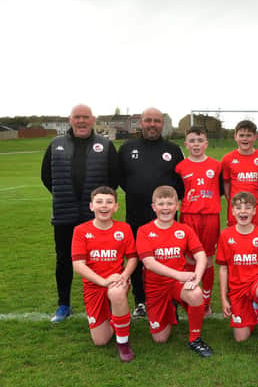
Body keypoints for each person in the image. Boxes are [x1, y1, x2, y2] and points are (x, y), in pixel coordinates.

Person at [41, 104, 118, 322]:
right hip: (64, 215)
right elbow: (47, 177)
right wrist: (64, 195)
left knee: (102, 260)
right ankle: (63, 304)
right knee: (64, 260)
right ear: (70, 119)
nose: (81, 121)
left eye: (85, 117)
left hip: (95, 217)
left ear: (93, 119)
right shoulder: (56, 144)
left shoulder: (104, 145)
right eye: (77, 117)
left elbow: (114, 179)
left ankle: (107, 302)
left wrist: (99, 204)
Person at [118, 107, 184, 318]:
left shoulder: (173, 149)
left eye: (157, 121)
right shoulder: (127, 148)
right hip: (136, 216)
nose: (152, 124)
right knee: (136, 259)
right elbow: (120, 179)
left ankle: (171, 298)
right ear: (141, 123)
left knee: (169, 258)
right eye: (148, 120)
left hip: (166, 218)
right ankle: (141, 301)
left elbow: (181, 184)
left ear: (162, 124)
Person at [135, 186, 212, 357]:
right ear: (153, 206)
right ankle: (170, 306)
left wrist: (196, 278)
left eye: (169, 203)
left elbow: (201, 256)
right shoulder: (144, 231)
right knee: (160, 339)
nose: (165, 208)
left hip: (178, 284)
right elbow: (149, 263)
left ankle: (195, 339)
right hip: (155, 286)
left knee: (196, 293)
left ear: (176, 206)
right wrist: (179, 274)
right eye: (161, 204)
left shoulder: (184, 230)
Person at [71, 186, 137, 362]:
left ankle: (123, 343)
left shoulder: (124, 228)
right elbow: (78, 265)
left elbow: (132, 258)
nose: (104, 206)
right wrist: (103, 281)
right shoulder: (81, 230)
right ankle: (117, 318)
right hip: (95, 285)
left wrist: (124, 276)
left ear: (116, 207)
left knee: (116, 293)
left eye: (109, 202)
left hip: (116, 282)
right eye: (99, 202)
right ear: (91, 206)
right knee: (100, 341)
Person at [217, 192, 258, 361]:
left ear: (254, 211)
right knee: (241, 338)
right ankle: (255, 310)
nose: (243, 211)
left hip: (255, 282)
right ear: (232, 211)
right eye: (238, 208)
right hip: (237, 290)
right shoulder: (225, 235)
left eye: (247, 208)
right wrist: (224, 299)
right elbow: (223, 269)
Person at [175, 126, 223, 315]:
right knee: (189, 257)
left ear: (206, 144)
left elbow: (221, 190)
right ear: (186, 144)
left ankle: (206, 301)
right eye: (192, 141)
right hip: (189, 216)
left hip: (210, 217)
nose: (196, 144)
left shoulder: (216, 165)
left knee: (208, 258)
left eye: (200, 140)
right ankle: (189, 298)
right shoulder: (180, 167)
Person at [221, 120, 258, 227]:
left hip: (257, 207)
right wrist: (232, 201)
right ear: (235, 136)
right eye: (241, 135)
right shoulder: (227, 159)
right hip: (237, 207)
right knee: (236, 238)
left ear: (255, 137)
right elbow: (226, 183)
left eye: (249, 135)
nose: (245, 138)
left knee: (256, 238)